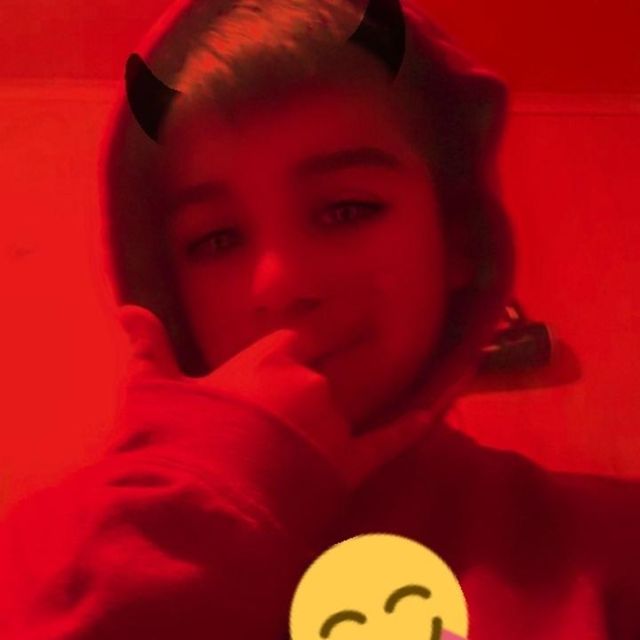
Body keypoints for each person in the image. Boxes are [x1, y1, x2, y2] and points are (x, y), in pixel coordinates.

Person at [0, 0, 638, 638]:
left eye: (345, 210)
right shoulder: (39, 566)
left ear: (458, 238)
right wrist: (198, 500)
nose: (280, 285)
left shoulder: (612, 549)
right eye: (217, 239)